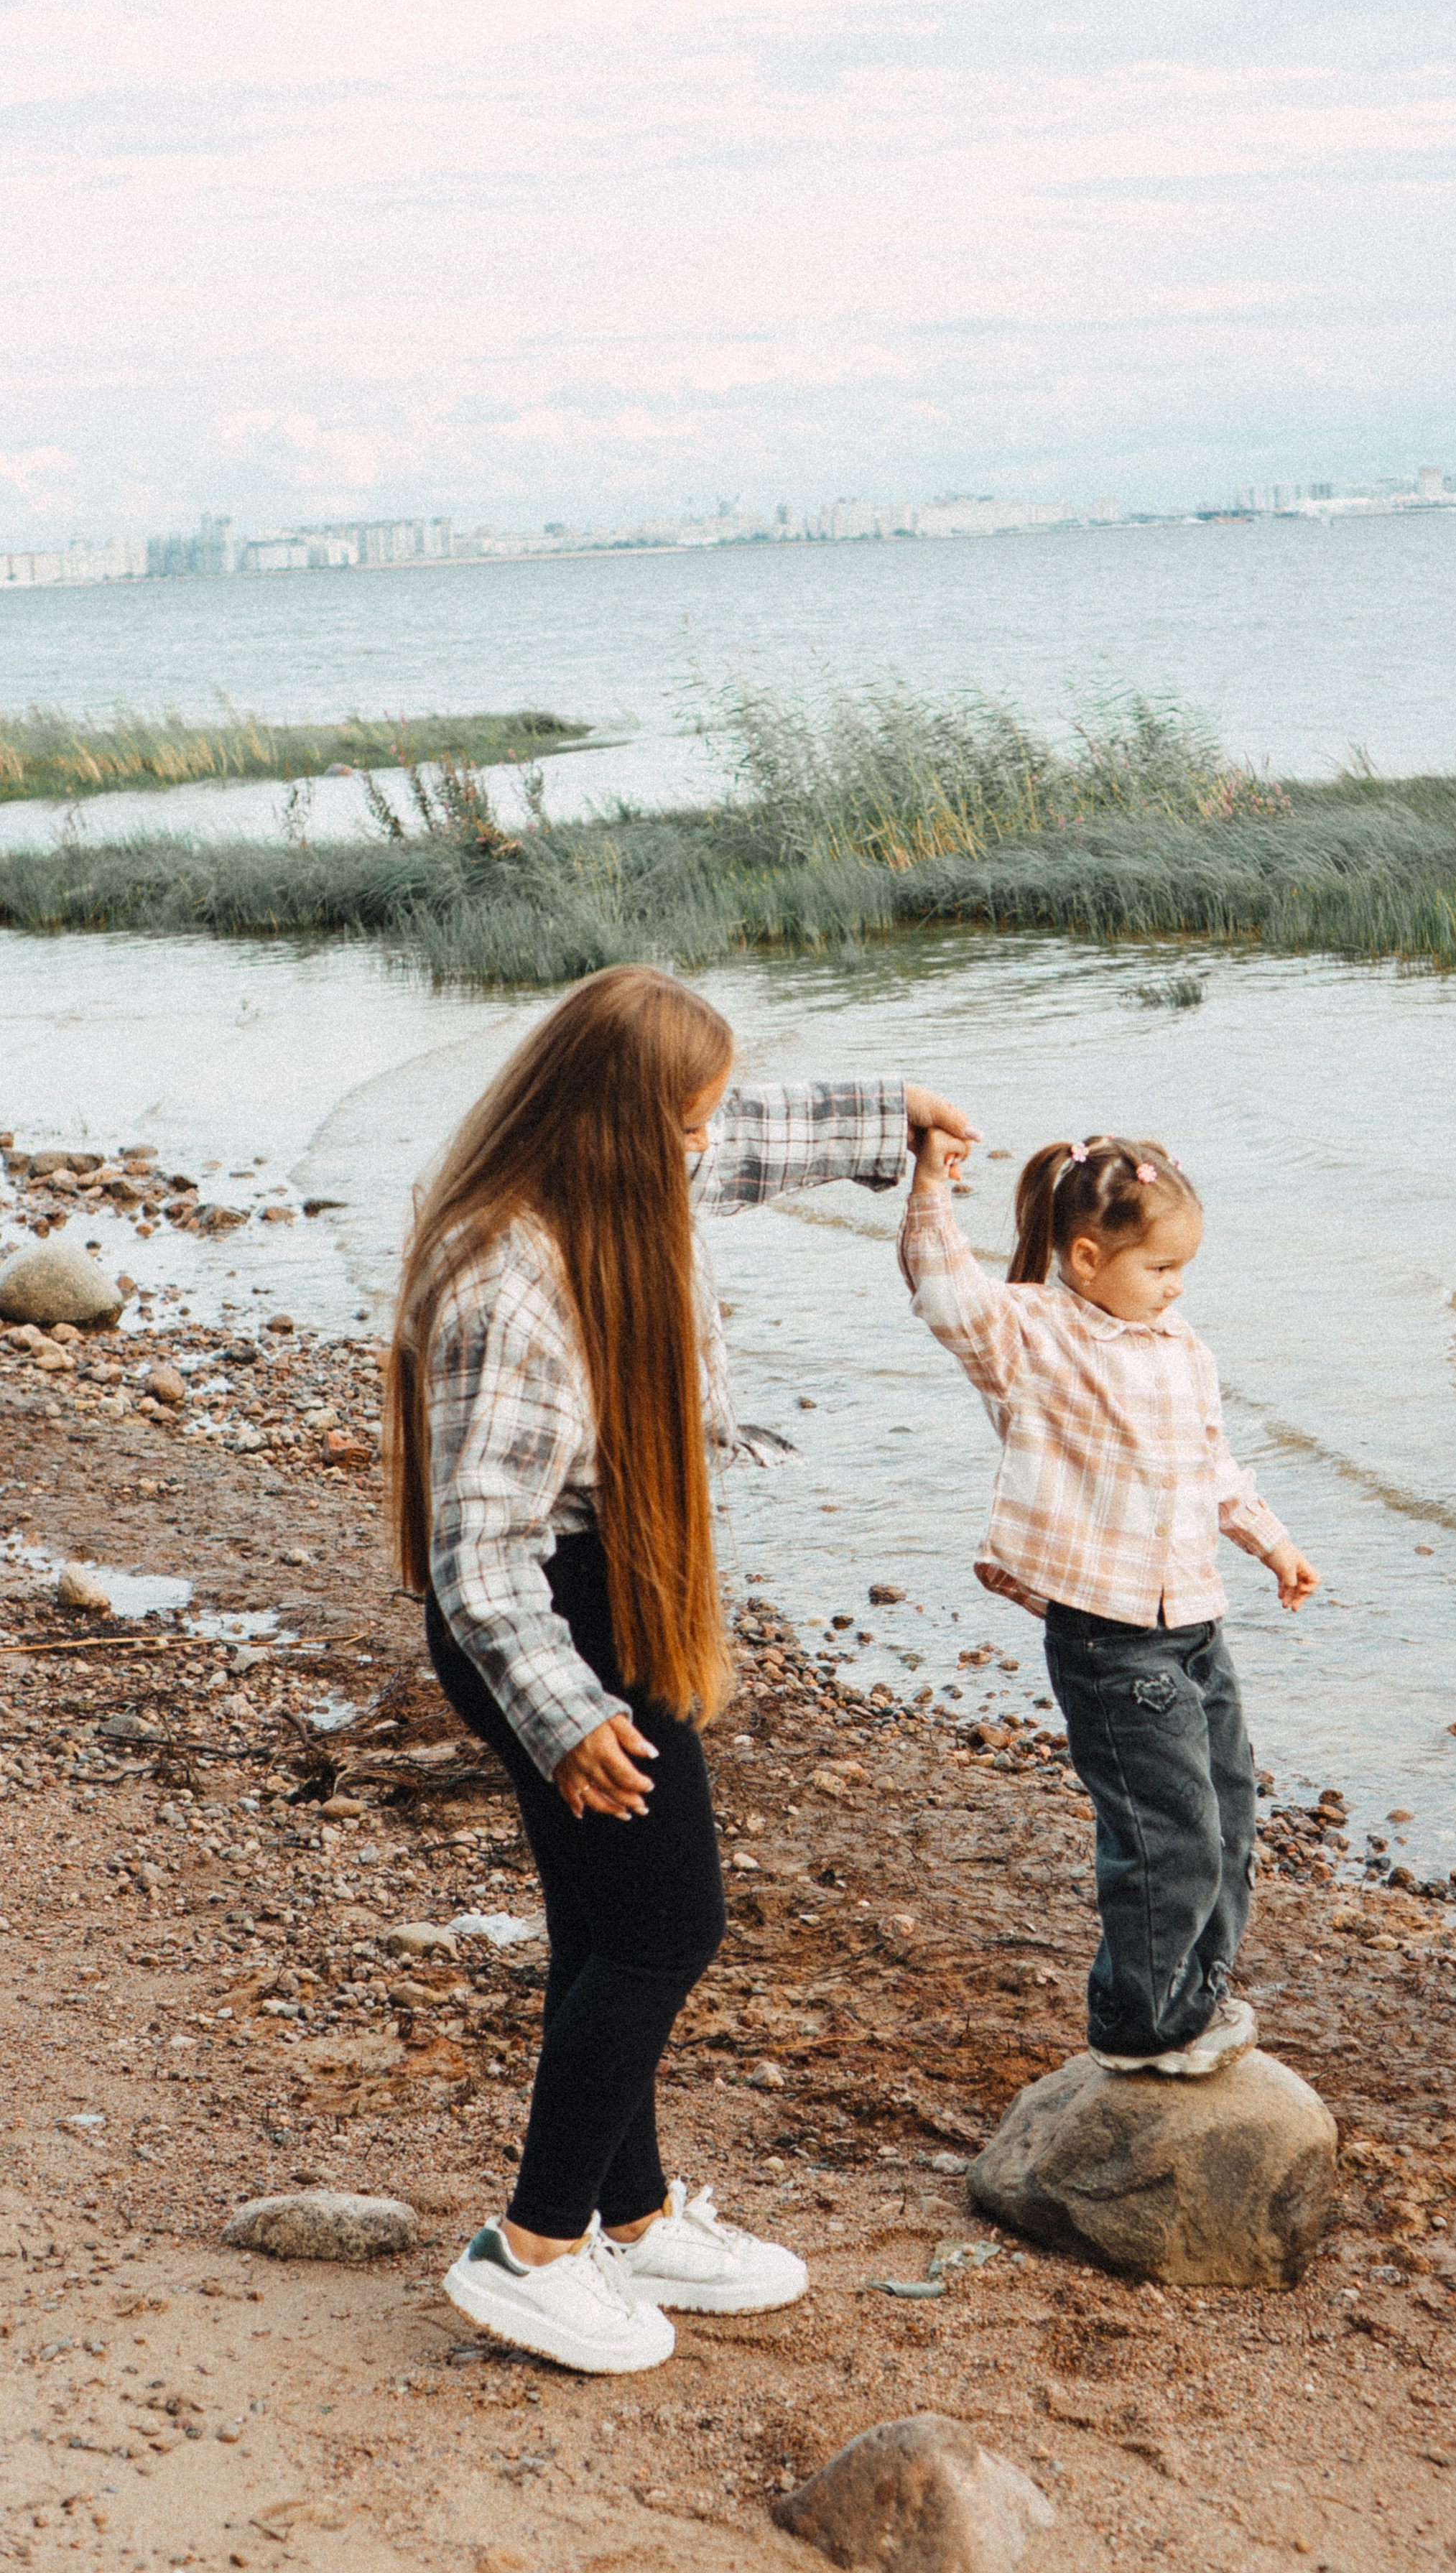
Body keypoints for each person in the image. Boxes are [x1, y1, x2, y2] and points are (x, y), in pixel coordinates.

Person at [386, 962, 974, 2373]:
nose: (707, 1144)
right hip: (547, 1624)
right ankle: (531, 2249)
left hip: (601, 1600)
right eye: (688, 1122)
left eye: (703, 1120)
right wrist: (567, 1713)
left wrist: (891, 1115)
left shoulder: (615, 1179)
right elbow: (478, 1553)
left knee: (605, 1927)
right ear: (615, 1125)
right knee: (666, 1928)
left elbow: (747, 1140)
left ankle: (633, 2214)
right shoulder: (510, 1279)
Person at [899, 1128, 1317, 2078]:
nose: (1177, 1287)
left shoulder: (1182, 1347)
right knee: (1167, 1836)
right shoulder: (1035, 1338)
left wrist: (1273, 1543)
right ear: (1086, 1257)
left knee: (1228, 1817)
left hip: (1194, 1623)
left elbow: (1212, 1468)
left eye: (1184, 1269)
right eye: (1161, 1268)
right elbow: (944, 1290)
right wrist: (930, 1186)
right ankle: (1141, 2026)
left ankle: (1194, 1997)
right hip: (1111, 1636)